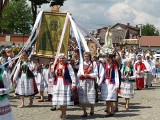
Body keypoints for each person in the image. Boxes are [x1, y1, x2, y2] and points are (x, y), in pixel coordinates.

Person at [52, 54, 76, 119]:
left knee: (64, 100)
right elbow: (53, 75)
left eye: (62, 58)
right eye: (60, 58)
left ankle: (64, 113)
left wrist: (73, 84)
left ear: (65, 59)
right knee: (60, 99)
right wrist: (51, 72)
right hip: (58, 84)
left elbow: (72, 75)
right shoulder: (56, 65)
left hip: (65, 84)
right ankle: (62, 113)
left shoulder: (68, 65)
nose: (61, 60)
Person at [78, 52, 98, 117]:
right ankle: (84, 112)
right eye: (85, 56)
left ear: (89, 57)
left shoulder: (93, 63)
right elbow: (78, 73)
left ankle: (92, 109)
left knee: (91, 96)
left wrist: (88, 75)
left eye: (87, 56)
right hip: (82, 81)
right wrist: (80, 75)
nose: (86, 57)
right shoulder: (81, 64)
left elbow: (96, 74)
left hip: (90, 82)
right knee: (82, 97)